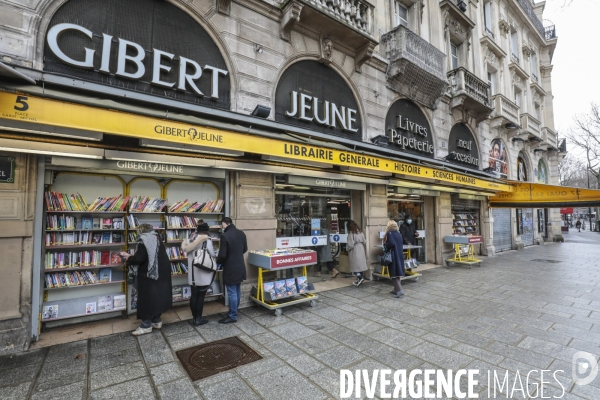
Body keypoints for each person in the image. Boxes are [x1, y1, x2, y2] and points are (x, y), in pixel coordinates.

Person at [120, 224, 172, 336]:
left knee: (146, 299)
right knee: (157, 297)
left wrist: (128, 258)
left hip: (148, 275)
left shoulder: (144, 241)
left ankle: (146, 325)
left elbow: (139, 258)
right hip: (160, 273)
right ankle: (157, 321)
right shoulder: (157, 238)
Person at [181, 221, 217, 326]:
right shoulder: (207, 240)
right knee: (201, 296)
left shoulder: (189, 240)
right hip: (202, 271)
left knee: (194, 295)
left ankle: (194, 318)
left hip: (192, 273)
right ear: (206, 231)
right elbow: (212, 254)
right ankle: (199, 319)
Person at [217, 217, 248, 324]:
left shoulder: (225, 236)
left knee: (231, 292)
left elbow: (222, 255)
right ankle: (234, 312)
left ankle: (232, 315)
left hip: (230, 267)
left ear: (223, 224)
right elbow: (245, 249)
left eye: (222, 225)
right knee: (237, 289)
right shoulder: (241, 233)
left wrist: (217, 262)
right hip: (240, 265)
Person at [384, 220, 405, 297]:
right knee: (397, 272)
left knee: (393, 273)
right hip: (399, 255)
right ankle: (396, 289)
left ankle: (399, 290)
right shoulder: (398, 233)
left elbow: (391, 243)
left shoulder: (389, 233)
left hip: (393, 255)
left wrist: (385, 244)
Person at [346, 220, 368, 287]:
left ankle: (360, 278)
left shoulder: (351, 233)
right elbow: (364, 241)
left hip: (355, 250)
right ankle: (360, 278)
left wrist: (347, 248)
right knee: (360, 265)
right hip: (361, 248)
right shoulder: (360, 232)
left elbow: (350, 245)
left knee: (355, 266)